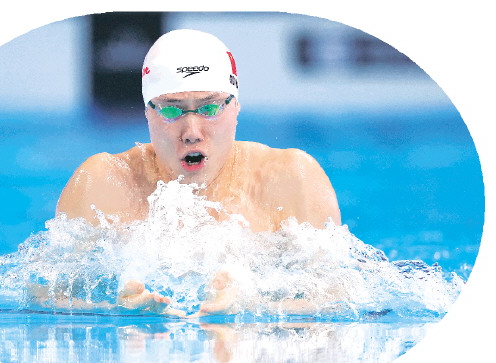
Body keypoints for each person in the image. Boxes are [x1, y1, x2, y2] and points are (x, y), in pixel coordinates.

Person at [56, 29, 341, 316]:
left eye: (210, 108)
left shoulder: (291, 178)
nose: (192, 132)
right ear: (148, 112)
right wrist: (116, 310)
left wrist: (249, 309)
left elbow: (339, 297)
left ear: (236, 106)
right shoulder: (103, 183)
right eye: (171, 111)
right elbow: (46, 297)